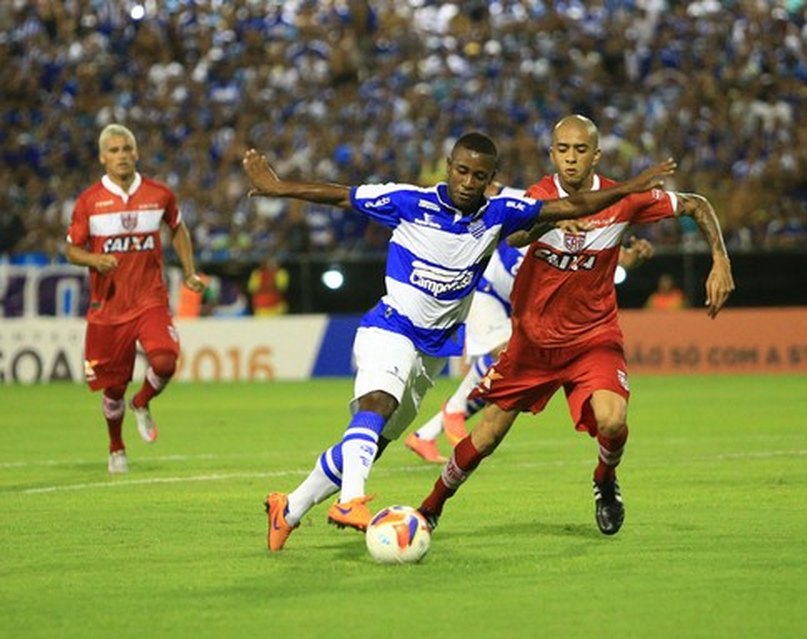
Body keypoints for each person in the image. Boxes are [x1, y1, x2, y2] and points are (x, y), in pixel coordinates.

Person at [250, 131, 676, 551]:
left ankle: (287, 509)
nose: (468, 182)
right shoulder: (409, 201)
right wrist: (278, 187)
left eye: (479, 175)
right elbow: (342, 195)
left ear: (490, 178)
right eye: (461, 171)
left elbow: (574, 203)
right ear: (449, 167)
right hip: (389, 326)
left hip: (432, 351)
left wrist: (633, 188)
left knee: (372, 441)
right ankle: (350, 502)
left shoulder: (500, 213)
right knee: (377, 403)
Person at [417, 114, 735, 535]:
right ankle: (430, 507)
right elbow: (514, 237)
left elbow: (695, 204)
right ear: (552, 154)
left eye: (580, 150)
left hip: (592, 338)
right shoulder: (538, 198)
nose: (570, 158)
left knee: (613, 420)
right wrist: (551, 218)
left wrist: (720, 260)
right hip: (533, 342)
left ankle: (605, 479)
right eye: (563, 150)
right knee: (488, 436)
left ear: (596, 155)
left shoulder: (621, 199)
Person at [404, 229, 656, 463]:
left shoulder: (584, 234)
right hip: (486, 292)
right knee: (505, 355)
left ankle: (425, 435)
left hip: (516, 303)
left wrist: (631, 257)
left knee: (507, 375)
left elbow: (610, 257)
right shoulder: (538, 231)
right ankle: (454, 409)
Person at [64, 123, 206, 474]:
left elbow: (177, 229)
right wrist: (95, 259)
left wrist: (189, 271)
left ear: (136, 152)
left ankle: (141, 402)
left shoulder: (158, 194)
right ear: (102, 158)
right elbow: (71, 249)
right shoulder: (89, 202)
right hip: (108, 308)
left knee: (165, 361)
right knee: (112, 389)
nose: (122, 156)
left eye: (127, 149)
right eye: (114, 151)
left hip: (149, 299)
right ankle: (116, 447)